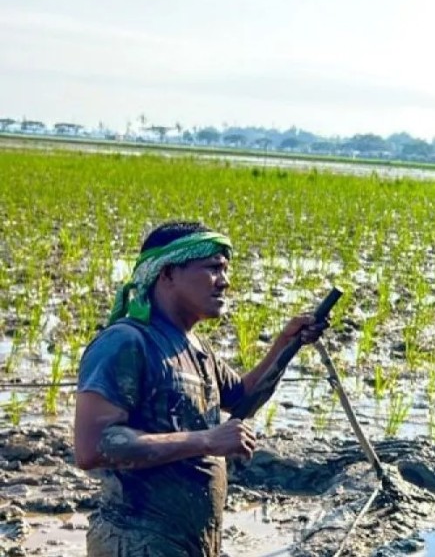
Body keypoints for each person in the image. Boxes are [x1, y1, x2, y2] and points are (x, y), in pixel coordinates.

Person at [74, 221, 329, 557]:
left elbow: (242, 398)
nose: (225, 281)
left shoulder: (196, 347)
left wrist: (286, 343)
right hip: (138, 539)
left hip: (192, 539)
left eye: (225, 270)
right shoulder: (127, 342)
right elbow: (93, 447)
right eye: (212, 268)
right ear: (167, 274)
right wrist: (207, 440)